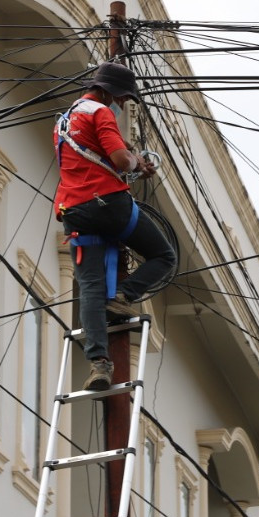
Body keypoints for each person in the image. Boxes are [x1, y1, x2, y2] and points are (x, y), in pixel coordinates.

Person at [54, 62, 175, 391]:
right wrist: (138, 163)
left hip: (74, 211)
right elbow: (121, 161)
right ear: (110, 91)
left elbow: (92, 156)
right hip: (107, 204)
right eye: (120, 98)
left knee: (91, 289)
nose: (119, 104)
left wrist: (127, 157)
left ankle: (99, 365)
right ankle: (123, 295)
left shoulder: (65, 120)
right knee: (164, 255)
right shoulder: (100, 113)